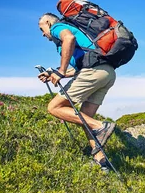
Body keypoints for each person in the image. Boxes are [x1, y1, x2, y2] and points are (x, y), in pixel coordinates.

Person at [37, 13, 116, 170]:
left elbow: (69, 39)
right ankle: (101, 161)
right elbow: (77, 69)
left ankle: (101, 126)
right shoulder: (75, 33)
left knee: (54, 107)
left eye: (42, 29)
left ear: (47, 22)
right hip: (107, 73)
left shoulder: (57, 27)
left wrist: (60, 71)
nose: (43, 34)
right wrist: (55, 72)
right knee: (85, 119)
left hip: (93, 72)